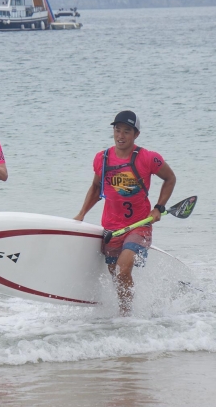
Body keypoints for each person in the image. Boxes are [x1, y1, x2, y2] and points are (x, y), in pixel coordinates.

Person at [74, 110, 176, 315]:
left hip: (140, 225)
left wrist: (159, 207)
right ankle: (126, 310)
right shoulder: (102, 158)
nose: (121, 135)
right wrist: (81, 213)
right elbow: (96, 188)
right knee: (116, 275)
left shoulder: (148, 158)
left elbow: (170, 178)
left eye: (127, 131)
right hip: (112, 227)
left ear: (136, 134)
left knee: (122, 268)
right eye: (117, 130)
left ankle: (127, 316)